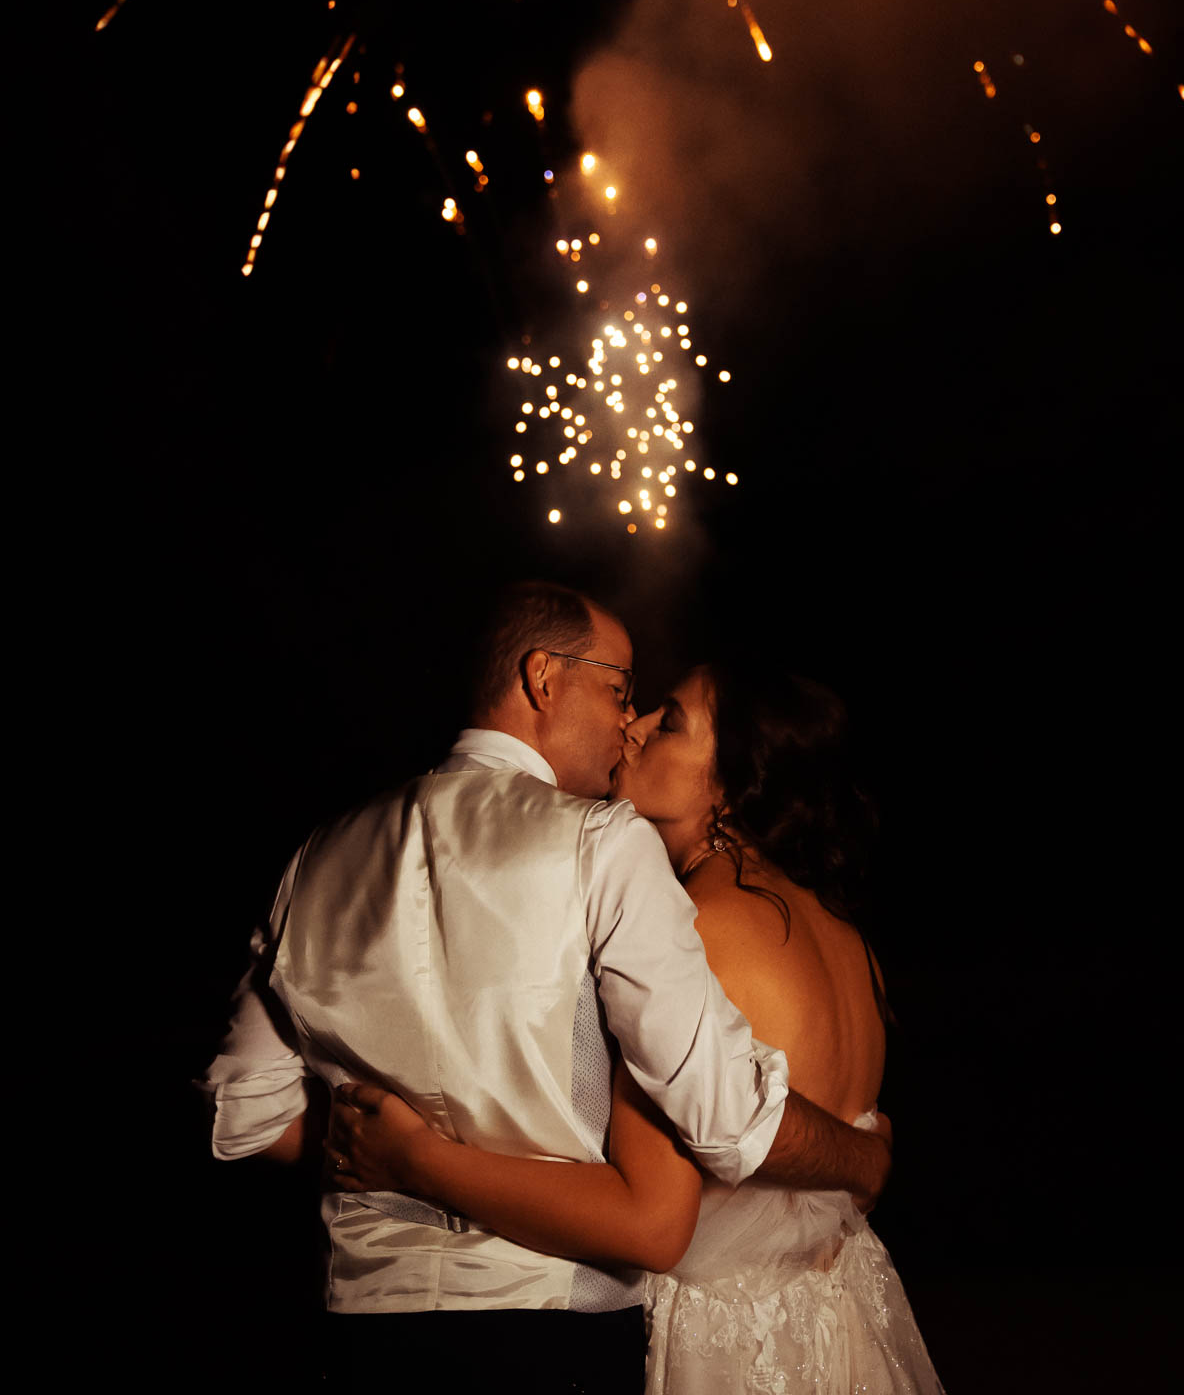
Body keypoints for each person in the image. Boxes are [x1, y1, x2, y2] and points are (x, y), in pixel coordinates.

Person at [203, 584, 891, 1394]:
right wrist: (864, 1158)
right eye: (620, 690)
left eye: (651, 709)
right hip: (556, 1329)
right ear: (542, 679)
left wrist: (382, 1147)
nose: (628, 724)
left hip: (363, 1335)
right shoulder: (605, 848)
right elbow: (726, 1119)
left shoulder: (317, 856)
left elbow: (243, 1118)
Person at [326, 661, 944, 1393]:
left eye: (670, 720)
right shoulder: (846, 936)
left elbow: (643, 1216)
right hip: (843, 1323)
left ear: (734, 775)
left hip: (724, 1346)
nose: (634, 725)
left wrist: (413, 1159)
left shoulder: (695, 928)